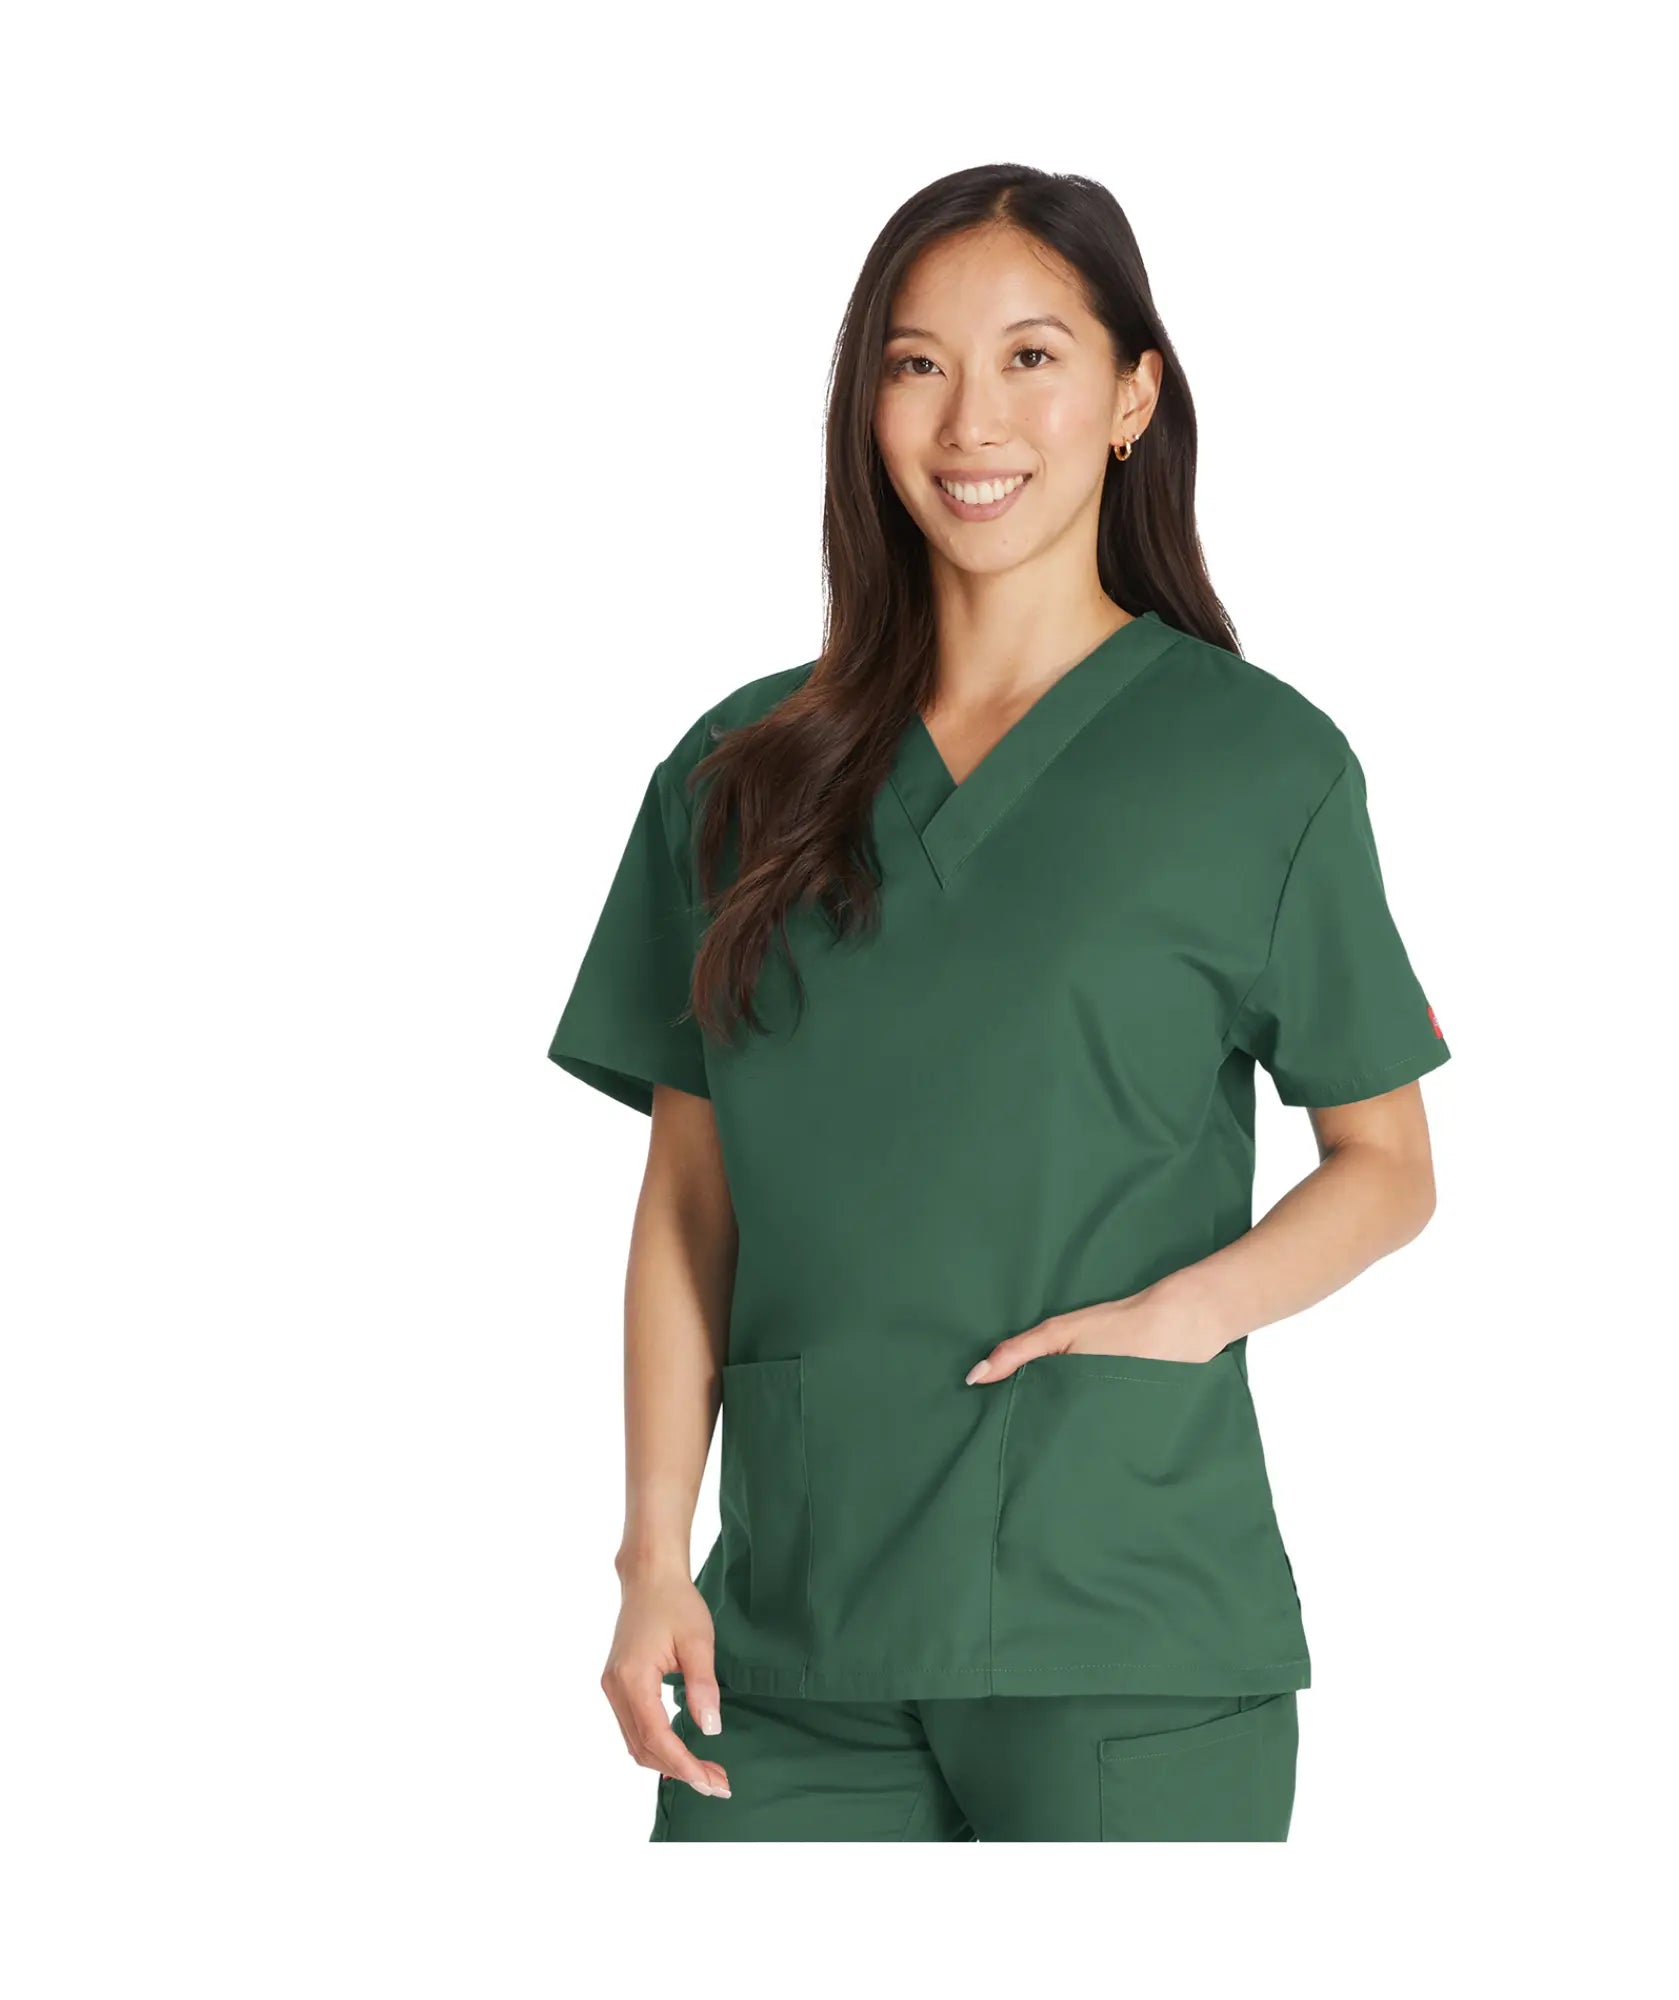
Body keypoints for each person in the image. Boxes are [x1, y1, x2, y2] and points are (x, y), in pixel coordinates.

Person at [546, 163, 1451, 1842]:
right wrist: (653, 1553)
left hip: (1126, 1625)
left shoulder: (1260, 766)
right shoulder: (738, 773)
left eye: (1033, 357)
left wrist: (1187, 1314)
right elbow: (688, 1201)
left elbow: (1387, 1163)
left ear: (1133, 398)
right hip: (786, 1647)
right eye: (918, 364)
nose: (972, 421)